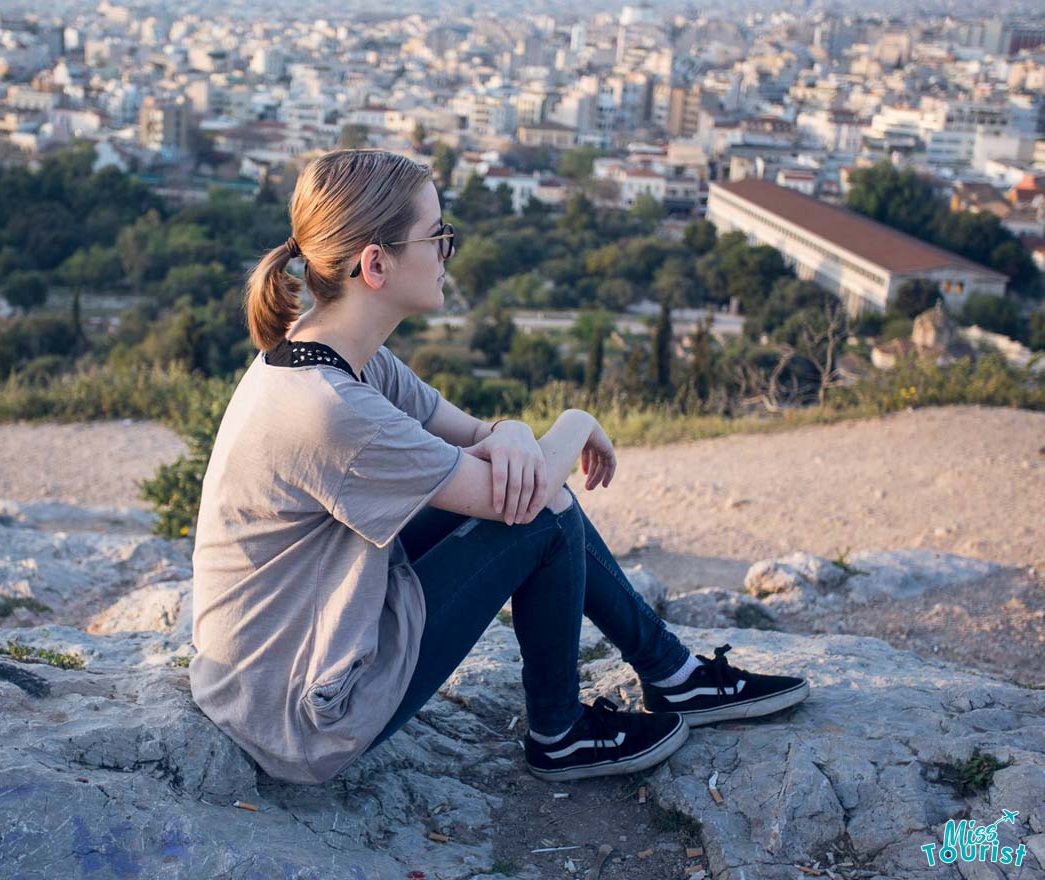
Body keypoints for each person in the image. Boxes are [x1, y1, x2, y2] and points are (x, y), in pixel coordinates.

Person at [189, 149, 809, 786]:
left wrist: (513, 431)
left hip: (286, 653)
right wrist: (573, 422)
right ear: (375, 264)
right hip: (297, 714)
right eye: (436, 237)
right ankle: (571, 729)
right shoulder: (331, 410)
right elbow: (523, 496)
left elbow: (479, 435)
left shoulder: (336, 351)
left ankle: (671, 678)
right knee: (539, 515)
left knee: (536, 497)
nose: (447, 252)